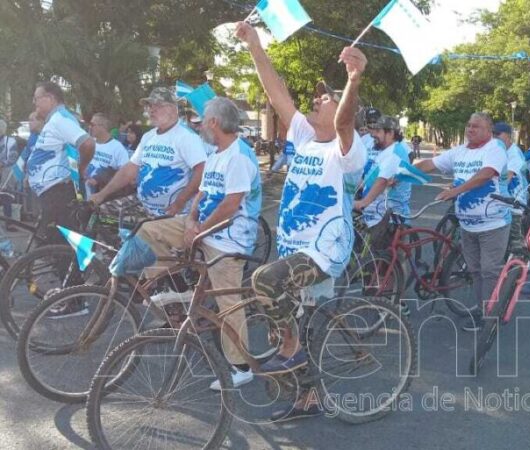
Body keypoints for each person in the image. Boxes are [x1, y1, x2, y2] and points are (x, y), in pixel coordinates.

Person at [236, 21, 367, 421]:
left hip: (324, 253)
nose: (319, 99)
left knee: (264, 283)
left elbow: (345, 121)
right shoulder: (306, 138)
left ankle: (291, 354)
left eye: (326, 99)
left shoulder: (349, 151)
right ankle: (306, 399)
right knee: (285, 319)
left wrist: (354, 78)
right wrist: (255, 44)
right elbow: (276, 93)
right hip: (294, 247)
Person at [137, 97, 262, 391]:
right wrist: (191, 220)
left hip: (229, 238)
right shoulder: (218, 152)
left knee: (227, 303)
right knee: (148, 231)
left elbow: (231, 204)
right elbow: (203, 194)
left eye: (203, 119)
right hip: (205, 228)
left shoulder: (239, 156)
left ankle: (241, 367)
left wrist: (200, 230)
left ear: (215, 123)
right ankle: (168, 287)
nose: (199, 124)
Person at [414, 112, 511, 332]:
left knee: (489, 270)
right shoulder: (459, 152)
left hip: (493, 224)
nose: (470, 129)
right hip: (468, 225)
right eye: (468, 125)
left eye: (476, 126)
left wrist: (456, 190)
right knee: (475, 270)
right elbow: (430, 164)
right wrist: (403, 171)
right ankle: (483, 309)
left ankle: (490, 319)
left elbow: (486, 174)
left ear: (488, 130)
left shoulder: (494, 148)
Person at [90, 87, 206, 218]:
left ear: (173, 108)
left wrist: (179, 203)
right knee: (100, 214)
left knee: (139, 235)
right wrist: (101, 195)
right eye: (149, 106)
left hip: (171, 213)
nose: (151, 110)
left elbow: (202, 171)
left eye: (157, 105)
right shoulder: (148, 136)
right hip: (142, 205)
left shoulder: (186, 137)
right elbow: (130, 169)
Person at [28, 81, 95, 245]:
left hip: (59, 192)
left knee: (61, 245)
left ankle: (66, 270)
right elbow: (70, 153)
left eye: (36, 98)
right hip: (53, 192)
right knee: (55, 242)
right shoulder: (55, 120)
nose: (34, 103)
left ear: (50, 98)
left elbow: (87, 143)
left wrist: (81, 169)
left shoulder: (60, 119)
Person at [354, 115, 411, 251]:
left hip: (390, 217)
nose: (373, 134)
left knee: (384, 263)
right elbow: (370, 177)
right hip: (376, 213)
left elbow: (381, 181)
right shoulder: (385, 151)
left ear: (390, 133)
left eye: (378, 131)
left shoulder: (395, 153)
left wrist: (363, 202)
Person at [493, 121, 528, 251]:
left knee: (515, 241)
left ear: (508, 136)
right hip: (501, 198)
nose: (494, 137)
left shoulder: (514, 153)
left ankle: (522, 263)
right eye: (493, 134)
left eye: (498, 134)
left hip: (515, 200)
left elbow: (507, 177)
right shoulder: (496, 151)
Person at [85, 113, 129, 196]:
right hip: (84, 192)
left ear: (103, 126)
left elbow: (125, 175)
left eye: (92, 125)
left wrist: (101, 179)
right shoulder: (89, 143)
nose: (89, 127)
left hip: (103, 197)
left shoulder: (118, 148)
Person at [0, 120, 19, 191]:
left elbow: (13, 158)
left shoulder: (10, 141)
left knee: (9, 170)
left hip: (5, 169)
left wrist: (2, 164)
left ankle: (4, 193)